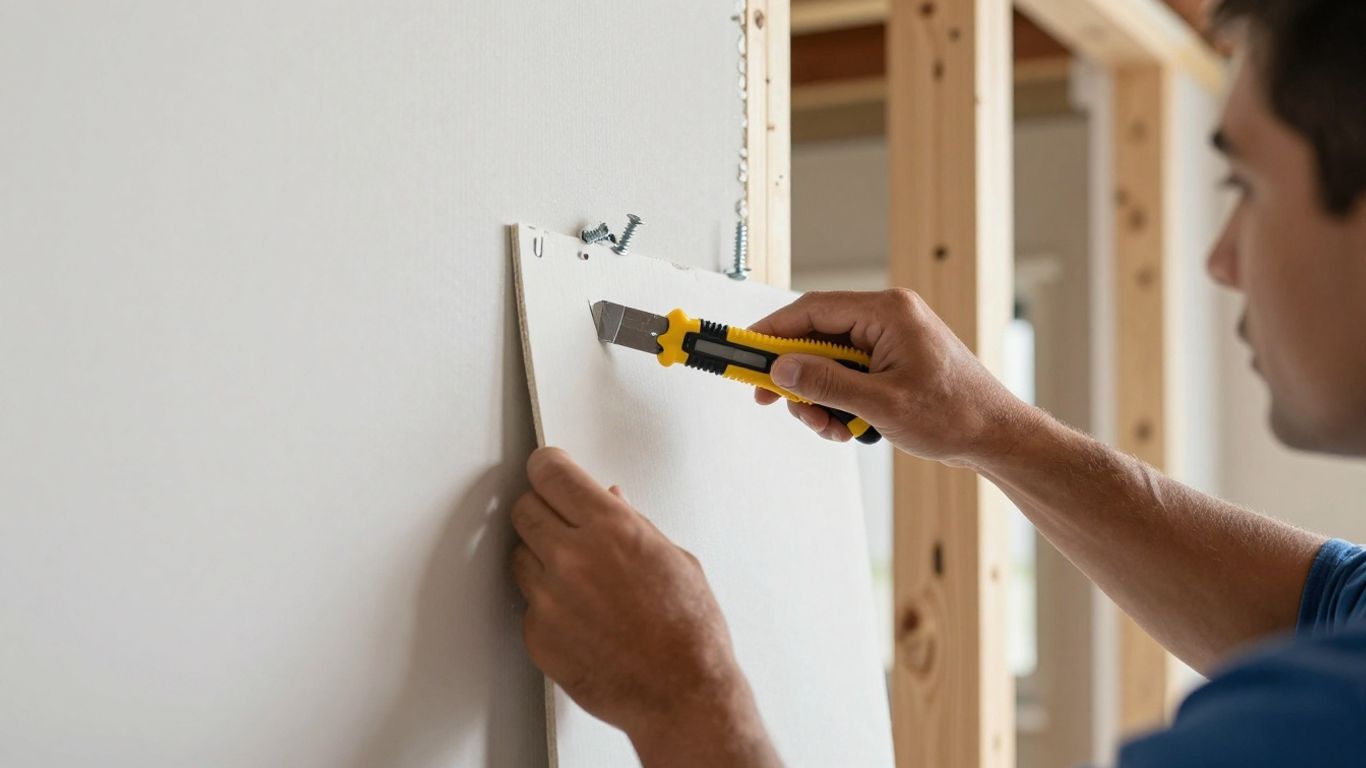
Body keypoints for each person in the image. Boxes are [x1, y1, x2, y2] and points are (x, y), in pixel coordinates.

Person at [507, 0, 1366, 764]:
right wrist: (994, 428)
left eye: (1245, 184)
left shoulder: (1310, 728)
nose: (1220, 260)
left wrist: (685, 703)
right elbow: (1319, 606)